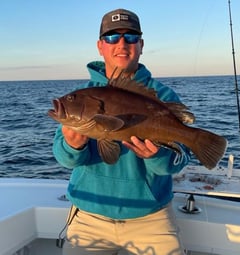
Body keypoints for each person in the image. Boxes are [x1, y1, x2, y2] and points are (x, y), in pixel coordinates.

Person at [53, 8, 190, 255]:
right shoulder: (84, 94)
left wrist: (157, 157)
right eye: (112, 37)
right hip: (88, 216)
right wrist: (74, 145)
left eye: (131, 37)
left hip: (151, 218)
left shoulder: (163, 97)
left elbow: (180, 158)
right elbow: (65, 159)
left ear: (141, 44)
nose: (122, 44)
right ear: (100, 45)